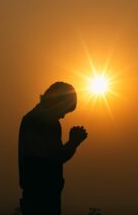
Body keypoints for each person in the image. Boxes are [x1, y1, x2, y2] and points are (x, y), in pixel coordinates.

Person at [18, 82, 88, 215]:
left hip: (34, 194)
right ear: (59, 102)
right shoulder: (46, 121)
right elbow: (54, 158)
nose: (63, 116)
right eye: (64, 110)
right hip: (43, 198)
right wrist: (73, 142)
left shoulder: (31, 118)